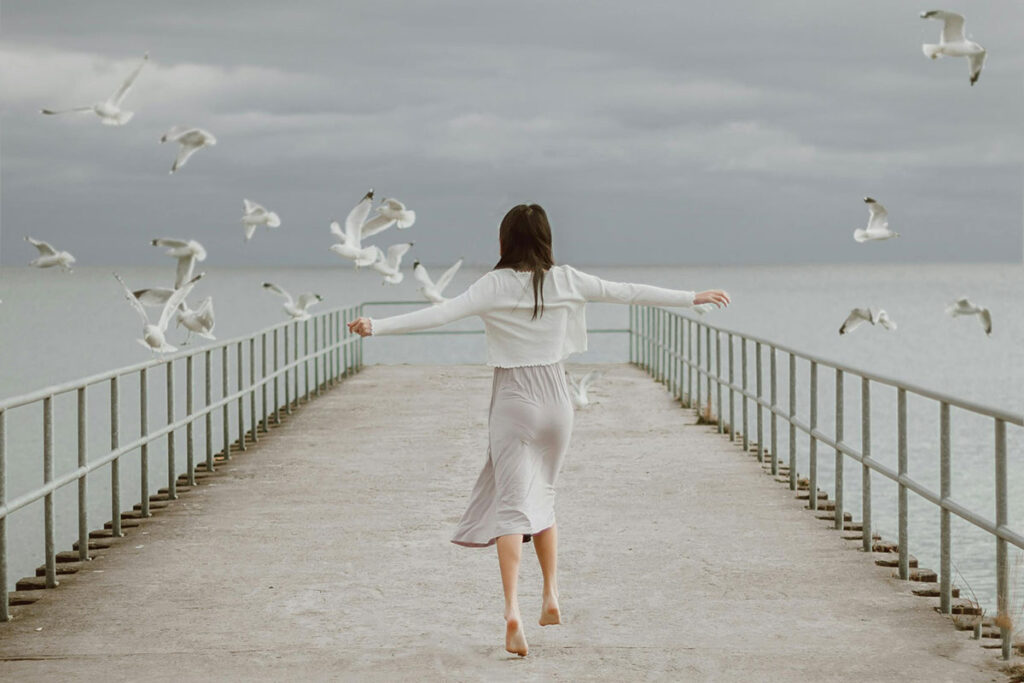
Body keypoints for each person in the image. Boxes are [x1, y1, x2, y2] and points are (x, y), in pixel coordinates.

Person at [347, 203, 730, 657]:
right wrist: (692, 296)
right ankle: (550, 595)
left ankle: (513, 611)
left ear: (505, 240)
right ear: (546, 238)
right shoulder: (567, 279)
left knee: (511, 508)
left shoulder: (493, 284)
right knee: (544, 495)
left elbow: (440, 314)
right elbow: (626, 291)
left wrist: (378, 326)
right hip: (557, 399)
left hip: (514, 400)